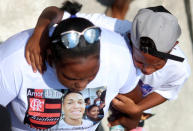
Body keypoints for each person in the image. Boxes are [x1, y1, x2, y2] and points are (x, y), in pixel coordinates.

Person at [24, 2, 190, 130]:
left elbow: (167, 91)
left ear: (174, 46)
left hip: (129, 104)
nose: (146, 70)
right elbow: (56, 12)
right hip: (103, 94)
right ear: (129, 35)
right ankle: (118, 9)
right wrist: (40, 33)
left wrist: (136, 109)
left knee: (125, 124)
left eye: (157, 66)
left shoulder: (179, 69)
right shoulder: (115, 28)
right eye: (139, 61)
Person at [0, 1, 142, 131]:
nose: (82, 86)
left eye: (92, 75)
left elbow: (133, 98)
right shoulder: (15, 61)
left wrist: (133, 118)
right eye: (71, 78)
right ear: (50, 58)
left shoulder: (119, 57)